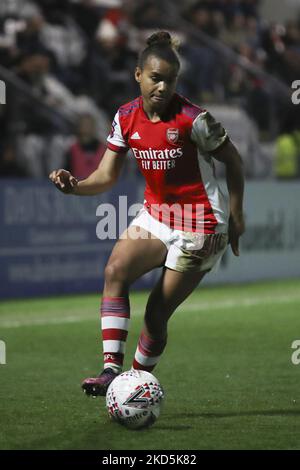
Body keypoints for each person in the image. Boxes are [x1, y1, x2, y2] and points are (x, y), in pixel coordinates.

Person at [49, 31, 245, 397]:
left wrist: (236, 216)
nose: (162, 87)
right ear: (138, 74)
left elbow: (233, 159)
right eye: (156, 78)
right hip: (158, 214)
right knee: (115, 270)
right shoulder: (125, 118)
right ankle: (111, 372)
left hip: (201, 225)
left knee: (155, 315)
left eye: (170, 80)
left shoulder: (194, 120)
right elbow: (106, 176)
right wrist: (74, 185)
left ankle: (135, 386)